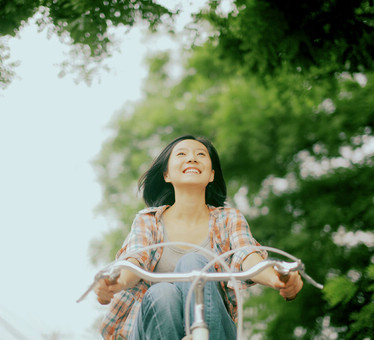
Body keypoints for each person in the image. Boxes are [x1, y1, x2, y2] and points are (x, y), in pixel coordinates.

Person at [94, 135, 303, 340]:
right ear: (166, 175)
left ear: (211, 175)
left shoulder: (228, 218)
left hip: (215, 331)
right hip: (152, 329)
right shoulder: (148, 221)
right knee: (163, 293)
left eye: (201, 154)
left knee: (193, 263)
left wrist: (277, 279)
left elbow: (247, 256)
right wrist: (115, 283)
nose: (192, 158)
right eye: (182, 154)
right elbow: (134, 262)